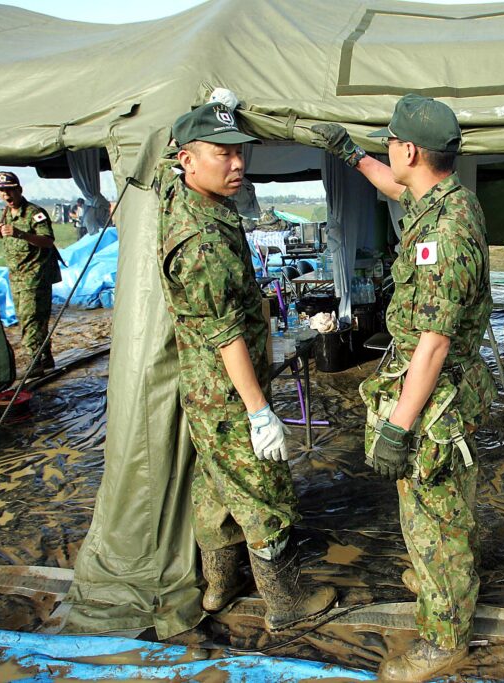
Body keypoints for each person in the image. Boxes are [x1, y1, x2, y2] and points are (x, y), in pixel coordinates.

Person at [310, 94, 496, 682]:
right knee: (433, 507)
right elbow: (396, 187)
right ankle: (444, 575)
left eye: (391, 142)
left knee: (433, 514)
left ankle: (444, 638)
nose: (388, 150)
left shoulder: (447, 229)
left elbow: (433, 345)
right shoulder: (438, 197)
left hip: (435, 395)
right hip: (436, 385)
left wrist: (398, 427)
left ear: (410, 149)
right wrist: (351, 155)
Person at [155, 101, 335, 634]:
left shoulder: (182, 194)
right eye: (222, 153)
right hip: (229, 390)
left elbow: (168, 164)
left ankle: (220, 584)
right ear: (188, 158)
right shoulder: (201, 241)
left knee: (215, 487)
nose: (237, 164)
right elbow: (227, 332)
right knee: (263, 492)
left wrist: (215, 109)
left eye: (239, 152)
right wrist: (260, 411)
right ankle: (285, 602)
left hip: (204, 388)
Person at [0, 171, 62, 377]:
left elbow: (47, 241)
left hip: (35, 275)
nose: (6, 195)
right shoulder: (6, 213)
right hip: (16, 276)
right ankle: (45, 358)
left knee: (31, 319)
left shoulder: (34, 213)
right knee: (30, 318)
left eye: (9, 190)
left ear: (19, 190)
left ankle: (34, 363)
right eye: (1, 191)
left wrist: (20, 233)